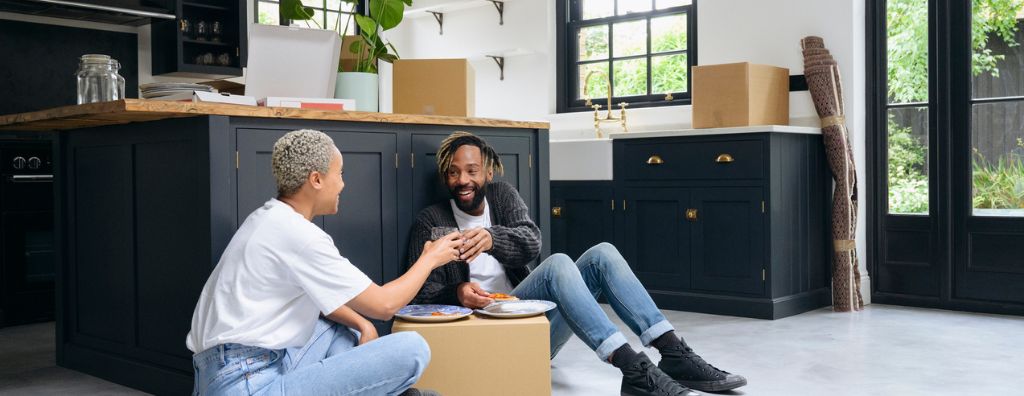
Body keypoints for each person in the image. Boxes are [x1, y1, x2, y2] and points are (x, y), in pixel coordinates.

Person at [407, 131, 747, 396]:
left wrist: (494, 239)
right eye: (453, 173)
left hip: (531, 325)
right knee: (557, 265)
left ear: (489, 172)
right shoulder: (431, 220)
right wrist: (459, 291)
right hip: (490, 338)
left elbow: (531, 242)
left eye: (471, 171)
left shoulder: (502, 196)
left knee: (602, 253)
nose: (462, 180)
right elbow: (420, 293)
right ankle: (634, 369)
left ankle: (674, 353)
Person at [187, 129, 463, 395]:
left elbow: (326, 301)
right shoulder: (300, 236)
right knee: (413, 349)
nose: (342, 183)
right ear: (316, 179)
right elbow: (384, 306)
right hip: (247, 384)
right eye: (340, 173)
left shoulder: (267, 217)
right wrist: (430, 258)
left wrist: (363, 325)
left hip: (226, 370)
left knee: (334, 330)